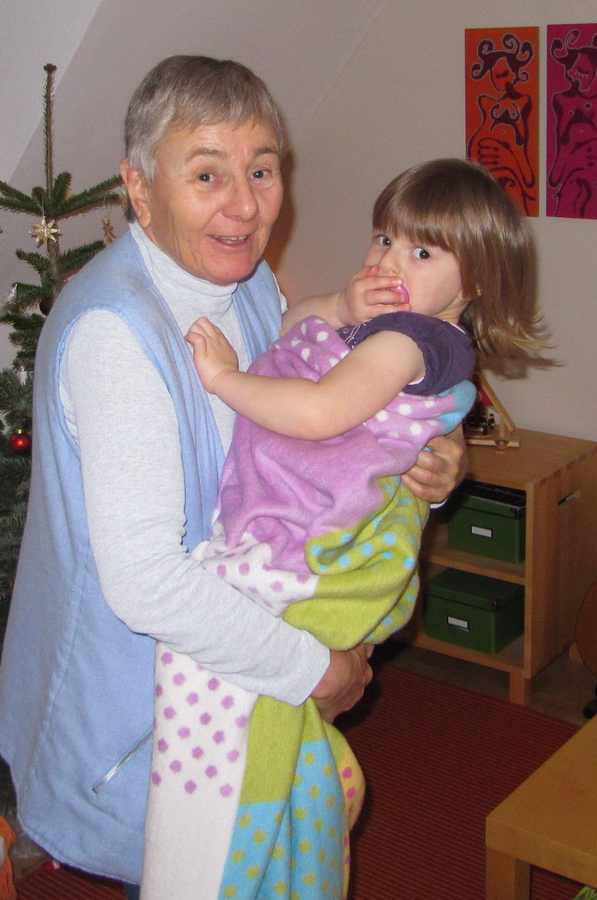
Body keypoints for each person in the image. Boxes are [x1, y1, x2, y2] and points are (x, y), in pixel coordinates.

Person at [0, 57, 465, 899]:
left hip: (227, 675)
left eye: (261, 171)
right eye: (206, 174)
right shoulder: (114, 336)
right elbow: (146, 583)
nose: (243, 206)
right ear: (140, 189)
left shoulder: (241, 280)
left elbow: (311, 385)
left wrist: (435, 454)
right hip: (138, 709)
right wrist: (314, 668)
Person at [141, 157, 542, 899]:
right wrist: (338, 301)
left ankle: (250, 832)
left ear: (477, 281)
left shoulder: (408, 343)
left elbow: (322, 412)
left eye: (421, 252)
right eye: (384, 238)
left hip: (308, 541)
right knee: (264, 705)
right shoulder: (389, 328)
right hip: (299, 522)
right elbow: (288, 327)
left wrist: (223, 379)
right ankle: (306, 780)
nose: (388, 261)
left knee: (226, 686)